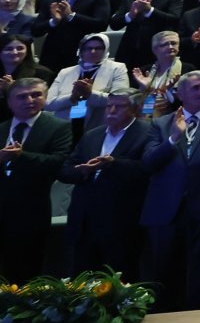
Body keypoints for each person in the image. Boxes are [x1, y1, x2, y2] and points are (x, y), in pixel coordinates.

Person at [140, 71, 200, 311]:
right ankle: (163, 316)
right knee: (163, 267)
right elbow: (149, 162)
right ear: (181, 93)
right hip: (167, 207)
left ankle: (197, 317)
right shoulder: (161, 123)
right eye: (196, 88)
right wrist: (173, 138)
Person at [59, 90, 156, 277]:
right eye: (109, 106)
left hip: (122, 222)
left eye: (119, 106)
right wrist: (82, 171)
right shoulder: (92, 135)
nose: (111, 110)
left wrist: (113, 164)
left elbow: (147, 169)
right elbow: (65, 169)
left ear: (135, 109)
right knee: (82, 279)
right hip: (85, 221)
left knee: (121, 279)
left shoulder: (147, 133)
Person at [1, 77, 72, 281]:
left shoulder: (58, 127)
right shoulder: (2, 128)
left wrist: (20, 156)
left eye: (36, 95)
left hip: (30, 210)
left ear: (45, 97)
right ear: (10, 102)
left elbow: (58, 163)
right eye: (22, 96)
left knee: (26, 270)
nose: (29, 100)